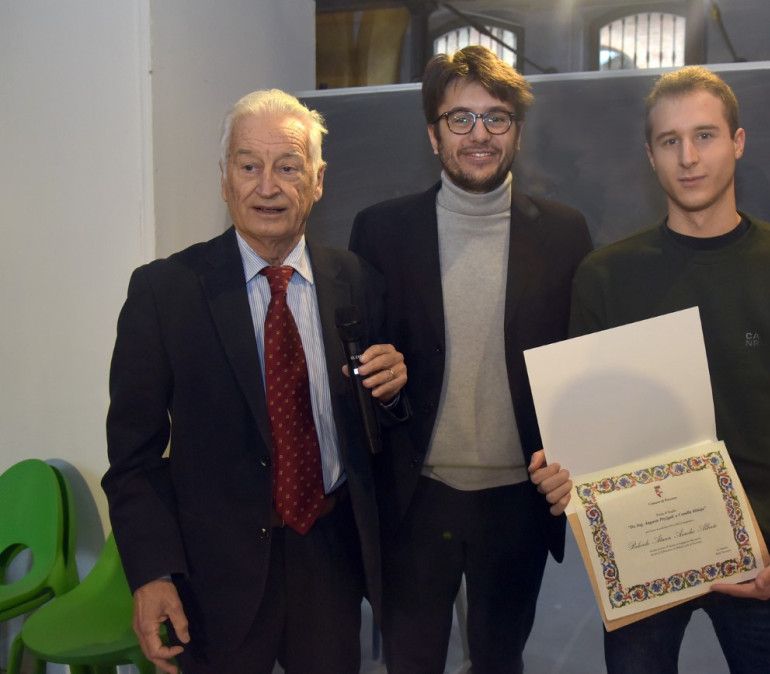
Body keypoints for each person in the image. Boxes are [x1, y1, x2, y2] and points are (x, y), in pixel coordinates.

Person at [530, 66, 770, 673]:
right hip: (642, 556)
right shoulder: (605, 278)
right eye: (670, 141)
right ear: (650, 157)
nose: (688, 157)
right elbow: (589, 421)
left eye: (705, 136)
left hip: (768, 553)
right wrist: (561, 469)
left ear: (738, 142)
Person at [102, 89, 408, 674]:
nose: (267, 186)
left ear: (317, 181)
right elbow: (132, 456)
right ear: (224, 179)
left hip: (330, 553)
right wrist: (152, 572)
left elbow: (379, 428)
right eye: (249, 166)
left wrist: (393, 391)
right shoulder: (164, 292)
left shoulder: (358, 281)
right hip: (213, 573)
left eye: (288, 167)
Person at [349, 46, 592, 673]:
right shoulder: (380, 232)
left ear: (517, 132)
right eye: (460, 118)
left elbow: (581, 362)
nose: (479, 134)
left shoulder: (565, 233)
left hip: (518, 500)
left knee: (499, 660)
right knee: (411, 662)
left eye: (496, 117)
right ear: (434, 135)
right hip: (415, 496)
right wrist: (381, 374)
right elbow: (357, 366)